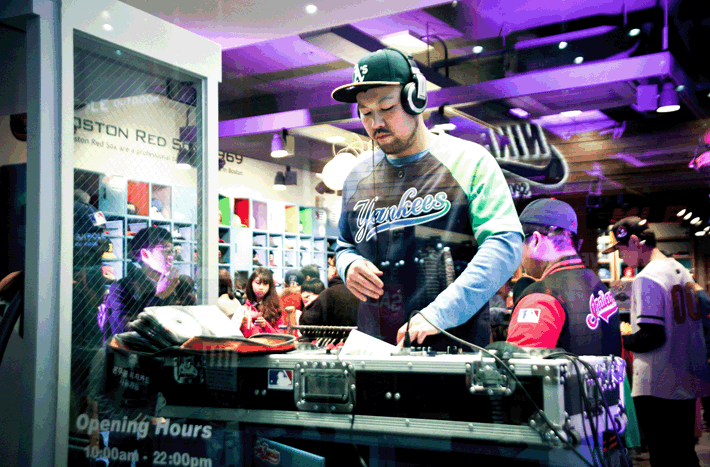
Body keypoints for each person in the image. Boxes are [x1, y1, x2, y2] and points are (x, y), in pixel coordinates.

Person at [330, 47, 523, 347]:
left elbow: (504, 245)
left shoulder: (470, 162)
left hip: (454, 351)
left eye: (387, 108)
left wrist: (441, 312)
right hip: (374, 350)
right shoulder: (357, 177)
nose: (375, 123)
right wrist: (348, 265)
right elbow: (344, 246)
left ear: (415, 99)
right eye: (366, 113)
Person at [603, 216, 710, 467]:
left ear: (634, 241)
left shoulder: (647, 277)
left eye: (621, 249)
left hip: (660, 383)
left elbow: (651, 337)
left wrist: (619, 339)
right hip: (685, 379)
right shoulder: (679, 269)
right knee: (684, 454)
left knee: (664, 457)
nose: (621, 256)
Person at [506, 198, 622, 356]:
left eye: (520, 242)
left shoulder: (540, 298)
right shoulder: (600, 288)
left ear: (536, 241)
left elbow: (520, 367)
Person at [101, 226, 179, 337]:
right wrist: (159, 297)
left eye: (172, 251)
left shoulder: (173, 284)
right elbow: (127, 330)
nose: (171, 256)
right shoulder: (121, 287)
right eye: (166, 251)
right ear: (145, 254)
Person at [300, 257, 359, 326]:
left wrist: (309, 305)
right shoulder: (363, 292)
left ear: (334, 270)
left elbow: (306, 322)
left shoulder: (328, 294)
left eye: (330, 266)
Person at [239, 267, 287, 337]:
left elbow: (280, 336)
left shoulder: (276, 308)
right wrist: (241, 326)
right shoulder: (244, 309)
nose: (261, 287)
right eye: (258, 283)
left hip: (270, 343)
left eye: (265, 284)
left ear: (270, 286)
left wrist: (265, 325)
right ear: (251, 284)